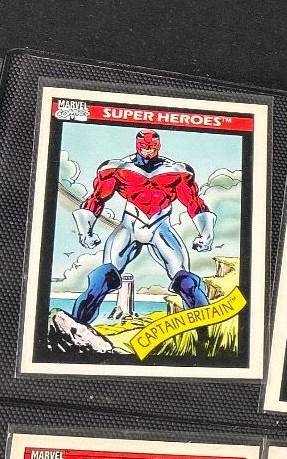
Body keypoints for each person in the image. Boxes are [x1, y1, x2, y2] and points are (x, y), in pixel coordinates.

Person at [72, 129, 215, 323]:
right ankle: (76, 324)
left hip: (160, 226)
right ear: (137, 145)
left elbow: (194, 203)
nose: (148, 149)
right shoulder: (117, 168)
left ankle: (205, 329)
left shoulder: (177, 171)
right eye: (144, 145)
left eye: (151, 146)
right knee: (104, 277)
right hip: (130, 226)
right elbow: (96, 199)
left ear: (159, 145)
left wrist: (206, 232)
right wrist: (85, 231)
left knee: (185, 281)